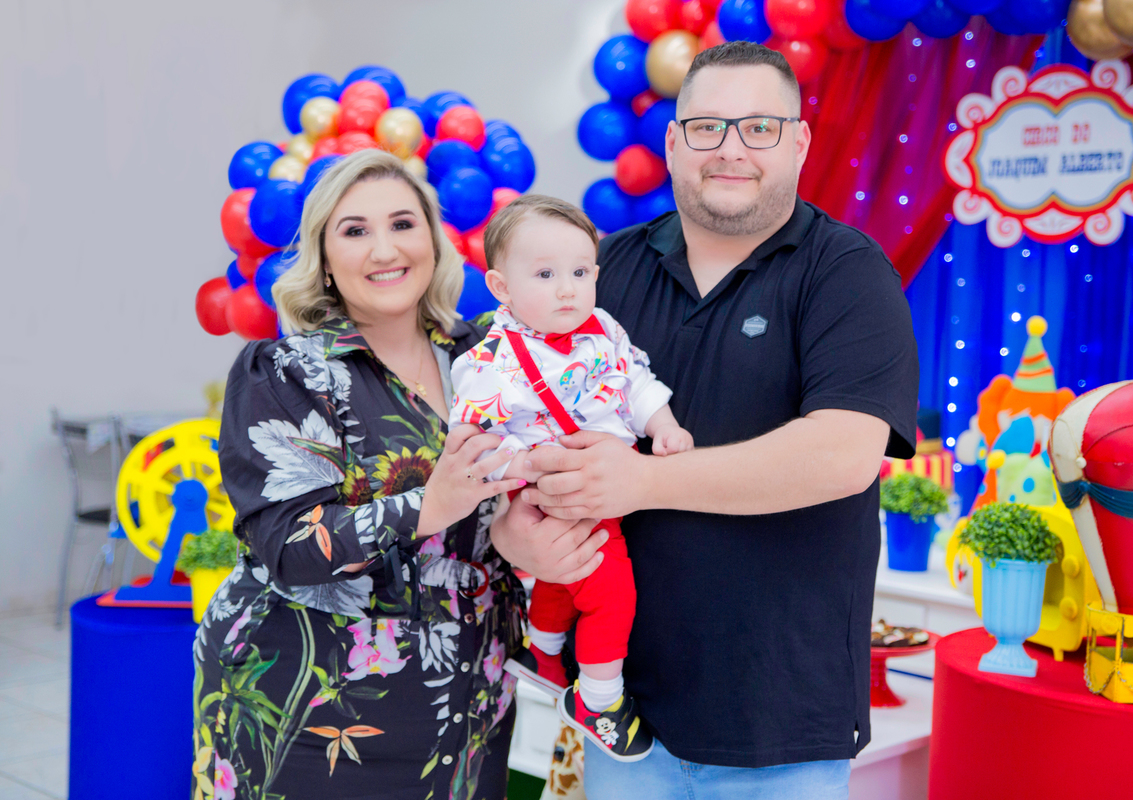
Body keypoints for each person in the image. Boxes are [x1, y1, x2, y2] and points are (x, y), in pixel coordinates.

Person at [490, 41, 920, 800]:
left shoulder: (846, 273)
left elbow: (842, 455)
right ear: (672, 141)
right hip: (623, 717)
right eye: (706, 127)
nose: (730, 150)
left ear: (798, 141)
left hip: (783, 724)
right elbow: (509, 401)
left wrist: (642, 480)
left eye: (758, 128)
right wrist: (514, 527)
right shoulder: (603, 270)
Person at [193, 150, 605, 800]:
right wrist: (427, 505)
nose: (384, 248)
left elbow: (530, 487)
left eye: (403, 224)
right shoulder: (284, 371)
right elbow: (288, 549)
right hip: (310, 716)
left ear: (435, 242)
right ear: (325, 257)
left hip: (466, 704)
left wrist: (520, 541)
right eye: (355, 230)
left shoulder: (486, 359)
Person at [448, 195, 693, 763]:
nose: (567, 289)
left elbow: (636, 383)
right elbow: (472, 449)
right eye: (546, 274)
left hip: (609, 486)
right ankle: (600, 699)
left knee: (561, 583)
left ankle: (544, 654)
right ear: (501, 287)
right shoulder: (488, 363)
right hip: (552, 492)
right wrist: (528, 467)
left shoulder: (602, 329)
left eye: (580, 273)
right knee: (611, 594)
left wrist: (665, 425)